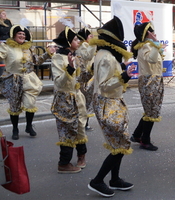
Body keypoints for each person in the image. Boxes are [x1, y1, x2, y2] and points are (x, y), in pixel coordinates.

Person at [87, 16, 135, 197]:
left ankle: (115, 180)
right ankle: (97, 181)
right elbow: (105, 84)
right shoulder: (106, 57)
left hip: (110, 102)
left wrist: (121, 67)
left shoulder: (103, 54)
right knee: (121, 143)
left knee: (118, 143)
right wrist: (125, 76)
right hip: (108, 103)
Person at [0, 25, 54, 140]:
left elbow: (37, 61)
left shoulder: (29, 48)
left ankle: (29, 126)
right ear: (14, 35)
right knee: (14, 107)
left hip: (29, 79)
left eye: (23, 34)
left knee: (30, 104)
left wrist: (47, 54)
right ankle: (15, 129)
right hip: (13, 80)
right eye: (19, 33)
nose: (22, 36)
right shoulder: (6, 47)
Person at [51, 26, 89, 173]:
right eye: (75, 39)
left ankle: (81, 156)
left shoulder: (76, 56)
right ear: (68, 42)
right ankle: (64, 163)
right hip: (64, 99)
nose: (78, 41)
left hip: (77, 96)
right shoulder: (57, 58)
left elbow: (82, 77)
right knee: (67, 130)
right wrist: (70, 69)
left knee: (80, 126)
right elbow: (59, 83)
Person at [130, 22, 165, 151]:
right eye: (151, 32)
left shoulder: (148, 45)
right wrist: (156, 44)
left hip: (154, 80)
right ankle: (145, 141)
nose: (154, 33)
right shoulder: (145, 46)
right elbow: (152, 60)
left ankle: (137, 135)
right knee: (151, 112)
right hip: (149, 81)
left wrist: (156, 46)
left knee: (150, 111)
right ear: (146, 34)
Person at [76, 27, 97, 131]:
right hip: (84, 78)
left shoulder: (87, 46)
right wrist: (93, 44)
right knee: (84, 101)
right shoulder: (82, 47)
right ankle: (82, 123)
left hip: (89, 77)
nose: (92, 37)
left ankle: (85, 123)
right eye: (89, 36)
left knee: (87, 101)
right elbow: (88, 56)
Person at [0, 10, 13, 80]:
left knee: (11, 63)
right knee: (2, 64)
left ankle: (10, 80)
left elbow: (11, 32)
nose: (5, 15)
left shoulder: (8, 22)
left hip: (9, 44)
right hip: (1, 45)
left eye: (5, 13)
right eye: (3, 14)